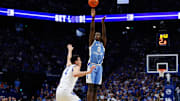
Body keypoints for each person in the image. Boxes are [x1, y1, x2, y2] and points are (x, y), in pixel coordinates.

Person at [86, 8, 107, 101]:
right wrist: (93, 19)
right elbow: (92, 29)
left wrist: (103, 22)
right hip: (92, 66)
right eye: (96, 34)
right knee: (90, 88)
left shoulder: (103, 44)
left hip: (99, 66)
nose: (97, 35)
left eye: (99, 34)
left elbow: (105, 34)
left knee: (95, 88)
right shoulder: (91, 42)